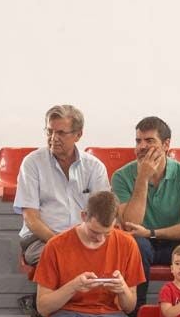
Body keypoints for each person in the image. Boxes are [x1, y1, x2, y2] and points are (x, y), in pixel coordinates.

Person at [111, 116, 180, 310]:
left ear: (166, 145)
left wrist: (151, 233)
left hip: (173, 240)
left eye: (149, 141)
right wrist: (142, 178)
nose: (142, 146)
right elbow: (130, 223)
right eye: (138, 141)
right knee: (136, 244)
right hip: (140, 241)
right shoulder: (121, 176)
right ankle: (135, 313)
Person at [13, 104, 110, 267]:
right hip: (43, 239)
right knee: (55, 256)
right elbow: (31, 218)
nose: (53, 138)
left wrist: (83, 242)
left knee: (118, 250)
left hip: (86, 237)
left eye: (61, 133)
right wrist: (63, 244)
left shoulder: (94, 167)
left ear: (78, 135)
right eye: (49, 131)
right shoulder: (32, 163)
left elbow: (102, 214)